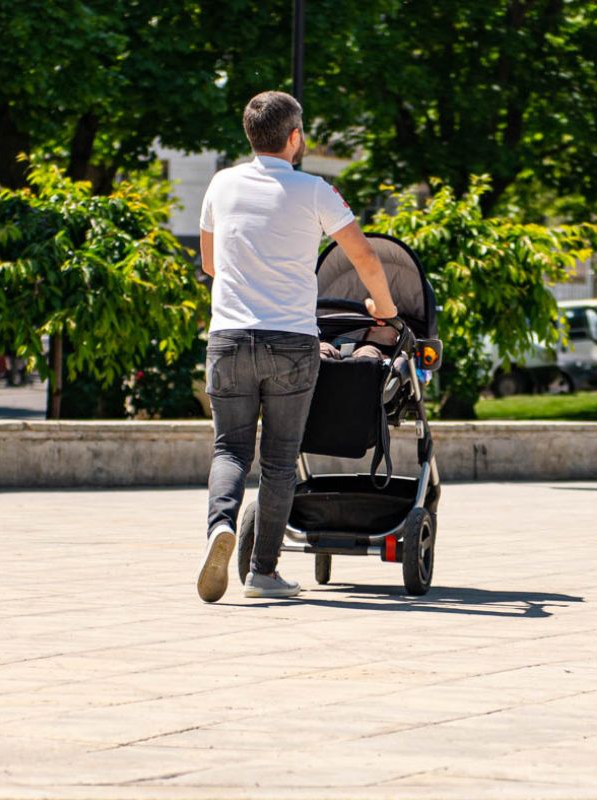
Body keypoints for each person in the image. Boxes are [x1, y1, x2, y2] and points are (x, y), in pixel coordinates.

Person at [196, 90, 398, 602]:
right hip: (291, 341)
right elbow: (364, 256)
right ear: (294, 137)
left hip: (228, 337)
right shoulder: (314, 191)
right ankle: (263, 573)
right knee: (280, 460)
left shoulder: (221, 184)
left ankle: (220, 526)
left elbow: (210, 264)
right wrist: (384, 309)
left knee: (229, 449)